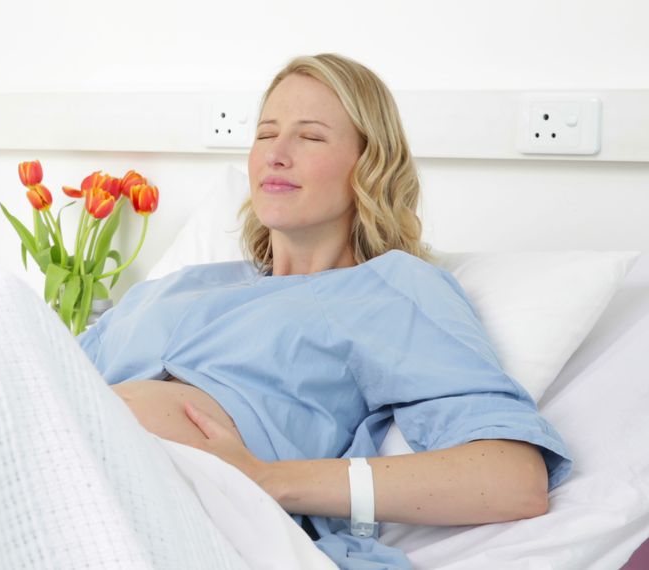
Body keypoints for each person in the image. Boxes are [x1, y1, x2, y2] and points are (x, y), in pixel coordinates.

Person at [78, 53, 571, 569]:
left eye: (310, 137)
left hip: (168, 511)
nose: (277, 154)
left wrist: (271, 481)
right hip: (65, 455)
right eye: (266, 134)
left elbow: (513, 480)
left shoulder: (388, 291)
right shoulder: (180, 285)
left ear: (370, 163)